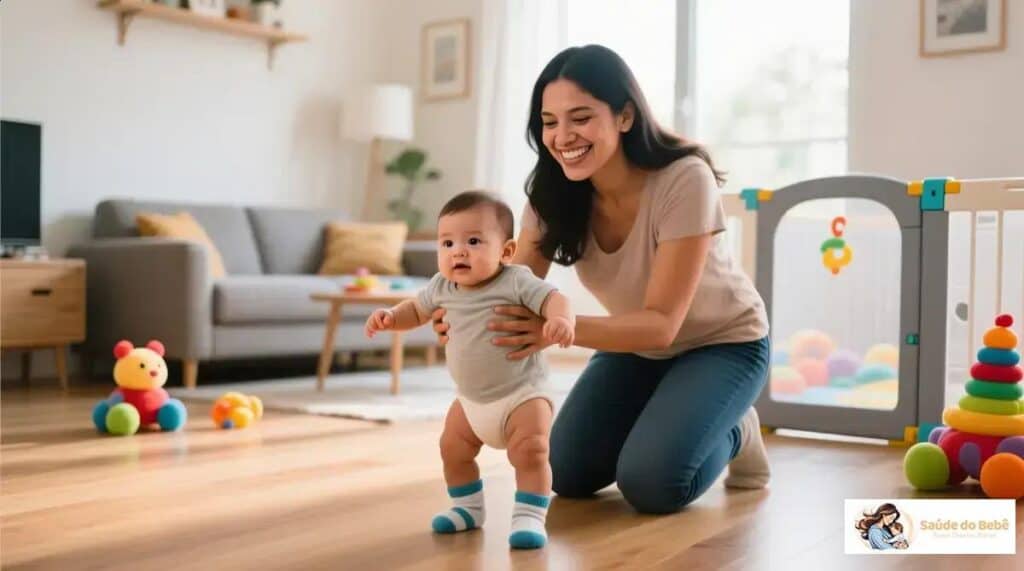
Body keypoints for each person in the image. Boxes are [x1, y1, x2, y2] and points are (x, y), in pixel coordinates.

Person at [431, 44, 772, 514]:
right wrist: (462, 313)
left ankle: (735, 429)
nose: (562, 135)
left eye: (581, 117)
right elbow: (505, 290)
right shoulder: (552, 197)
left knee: (653, 484)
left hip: (723, 345)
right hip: (636, 348)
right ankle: (678, 416)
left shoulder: (684, 179)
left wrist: (556, 329)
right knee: (566, 471)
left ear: (625, 116)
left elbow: (662, 325)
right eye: (549, 122)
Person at [365, 191, 574, 549]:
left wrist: (561, 319)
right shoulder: (441, 286)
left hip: (523, 395)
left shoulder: (516, 280)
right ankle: (467, 507)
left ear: (506, 252)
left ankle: (529, 515)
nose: (458, 251)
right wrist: (390, 317)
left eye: (473, 241)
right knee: (452, 447)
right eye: (447, 243)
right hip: (471, 401)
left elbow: (556, 298)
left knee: (531, 451)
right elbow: (415, 311)